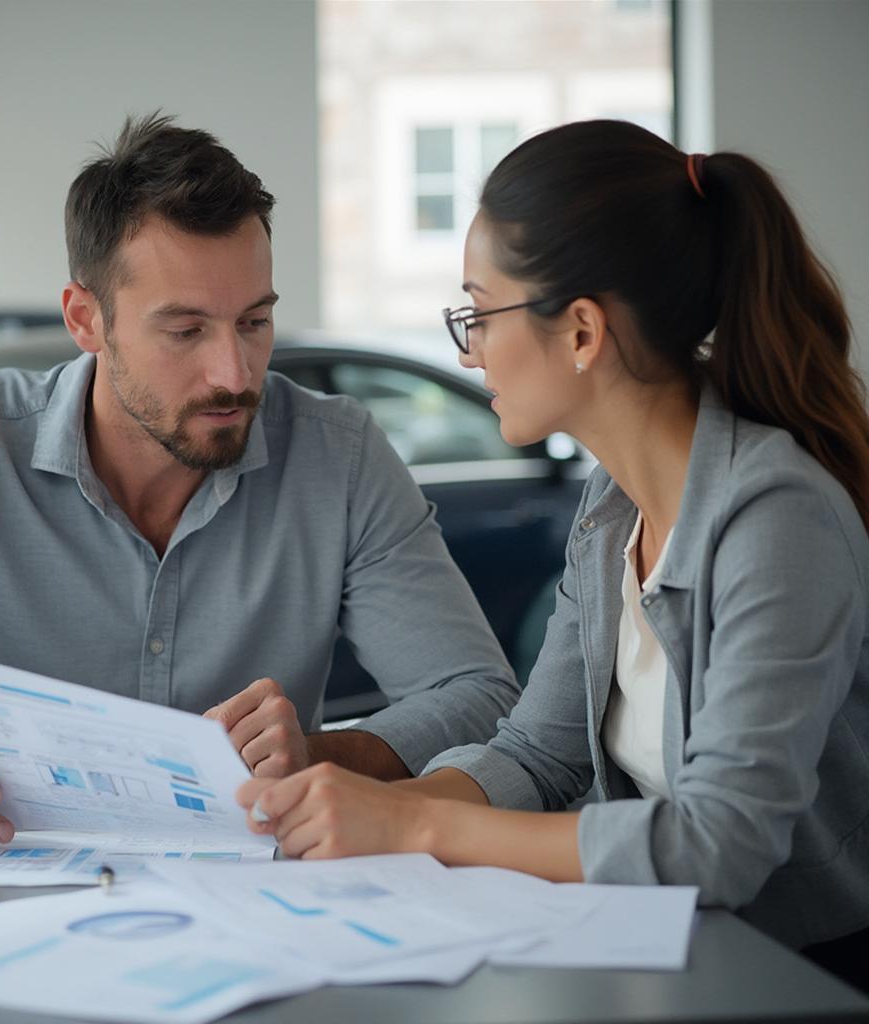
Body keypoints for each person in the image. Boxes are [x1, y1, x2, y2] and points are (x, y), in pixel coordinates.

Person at [237, 120, 869, 991]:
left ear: (580, 332)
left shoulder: (777, 519)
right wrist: (361, 811)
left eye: (479, 313)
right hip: (656, 952)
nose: (470, 351)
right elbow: (539, 752)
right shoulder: (610, 511)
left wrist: (417, 828)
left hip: (798, 974)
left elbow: (719, 843)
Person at [0, 113, 520, 847]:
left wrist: (319, 758)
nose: (233, 374)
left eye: (254, 322)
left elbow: (476, 696)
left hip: (257, 923)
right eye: (185, 331)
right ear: (86, 320)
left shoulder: (340, 456)